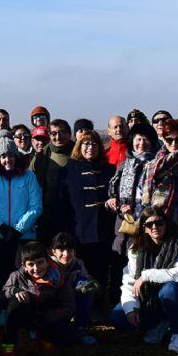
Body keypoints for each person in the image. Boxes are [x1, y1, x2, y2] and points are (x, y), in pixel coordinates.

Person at [110, 208, 178, 354]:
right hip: (150, 302)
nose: (155, 227)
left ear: (166, 224)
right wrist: (132, 308)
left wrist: (147, 275)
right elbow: (129, 281)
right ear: (144, 228)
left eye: (159, 223)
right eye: (149, 225)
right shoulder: (135, 250)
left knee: (170, 289)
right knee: (118, 315)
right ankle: (159, 324)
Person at [56, 131, 118, 311]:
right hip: (78, 231)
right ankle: (80, 309)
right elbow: (61, 204)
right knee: (80, 273)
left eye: (94, 144)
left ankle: (98, 307)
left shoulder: (109, 170)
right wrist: (65, 233)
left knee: (100, 270)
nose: (90, 148)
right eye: (86, 144)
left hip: (103, 230)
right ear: (79, 147)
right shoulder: (68, 170)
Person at [0, 135, 42, 298]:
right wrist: (0, 226)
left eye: (11, 155)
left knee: (23, 276)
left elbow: (35, 206)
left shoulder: (28, 176)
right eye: (3, 156)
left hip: (23, 236)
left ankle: (22, 307)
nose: (8, 160)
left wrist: (19, 229)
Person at [0, 241, 78, 356]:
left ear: (47, 262)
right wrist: (15, 291)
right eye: (31, 264)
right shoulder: (16, 276)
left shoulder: (59, 277)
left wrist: (50, 317)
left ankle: (44, 338)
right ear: (24, 265)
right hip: (26, 313)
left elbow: (70, 306)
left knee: (67, 339)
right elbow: (3, 294)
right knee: (15, 303)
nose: (36, 268)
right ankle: (9, 343)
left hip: (48, 315)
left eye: (40, 262)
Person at [106, 123, 158, 255]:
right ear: (132, 141)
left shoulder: (156, 164)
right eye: (138, 139)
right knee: (121, 263)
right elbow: (113, 187)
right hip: (124, 222)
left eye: (146, 139)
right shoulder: (124, 164)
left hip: (147, 221)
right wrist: (115, 203)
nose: (142, 143)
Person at [50, 233, 99, 345]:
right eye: (61, 250)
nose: (66, 254)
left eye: (70, 250)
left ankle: (81, 327)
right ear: (53, 251)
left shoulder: (78, 263)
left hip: (72, 298)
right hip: (54, 301)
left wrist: (91, 284)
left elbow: (85, 279)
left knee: (86, 286)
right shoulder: (47, 265)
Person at [30, 119, 75, 240]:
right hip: (47, 218)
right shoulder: (41, 157)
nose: (58, 136)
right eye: (54, 133)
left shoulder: (79, 153)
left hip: (74, 217)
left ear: (69, 133)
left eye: (62, 132)